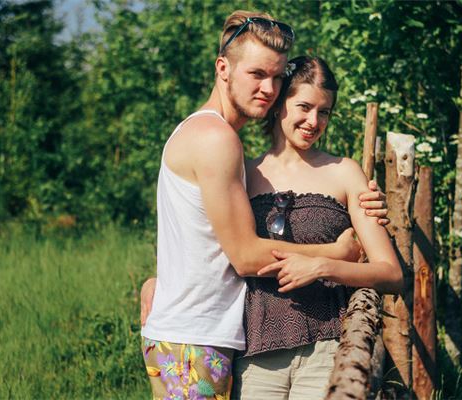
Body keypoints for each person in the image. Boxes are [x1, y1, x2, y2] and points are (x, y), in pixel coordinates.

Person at [139, 11, 390, 399]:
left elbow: (193, 233)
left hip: (201, 333)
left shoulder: (207, 134)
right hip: (195, 335)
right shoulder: (216, 138)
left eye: (276, 77)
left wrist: (158, 281)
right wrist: (336, 253)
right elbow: (245, 257)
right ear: (223, 68)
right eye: (257, 74)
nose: (268, 88)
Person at [231, 56, 403, 399]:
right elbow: (221, 250)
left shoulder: (345, 172)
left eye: (324, 112)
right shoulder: (244, 174)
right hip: (255, 354)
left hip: (326, 349)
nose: (314, 121)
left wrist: (324, 267)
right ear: (279, 105)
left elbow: (392, 273)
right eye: (305, 107)